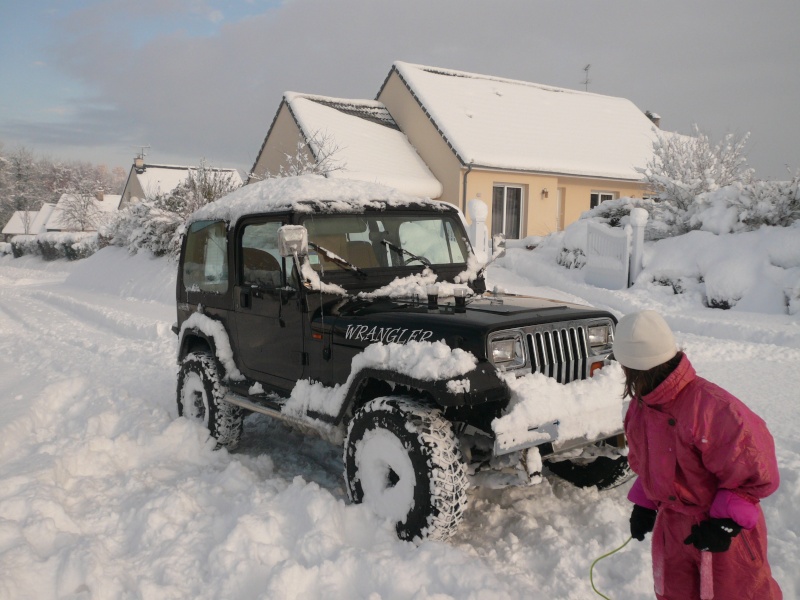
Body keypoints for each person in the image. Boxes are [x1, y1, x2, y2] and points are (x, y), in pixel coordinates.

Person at [613, 310, 782, 600]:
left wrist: (725, 523)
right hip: (673, 530)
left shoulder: (713, 408)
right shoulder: (640, 409)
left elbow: (757, 472)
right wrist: (645, 503)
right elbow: (650, 463)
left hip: (721, 535)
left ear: (631, 367)